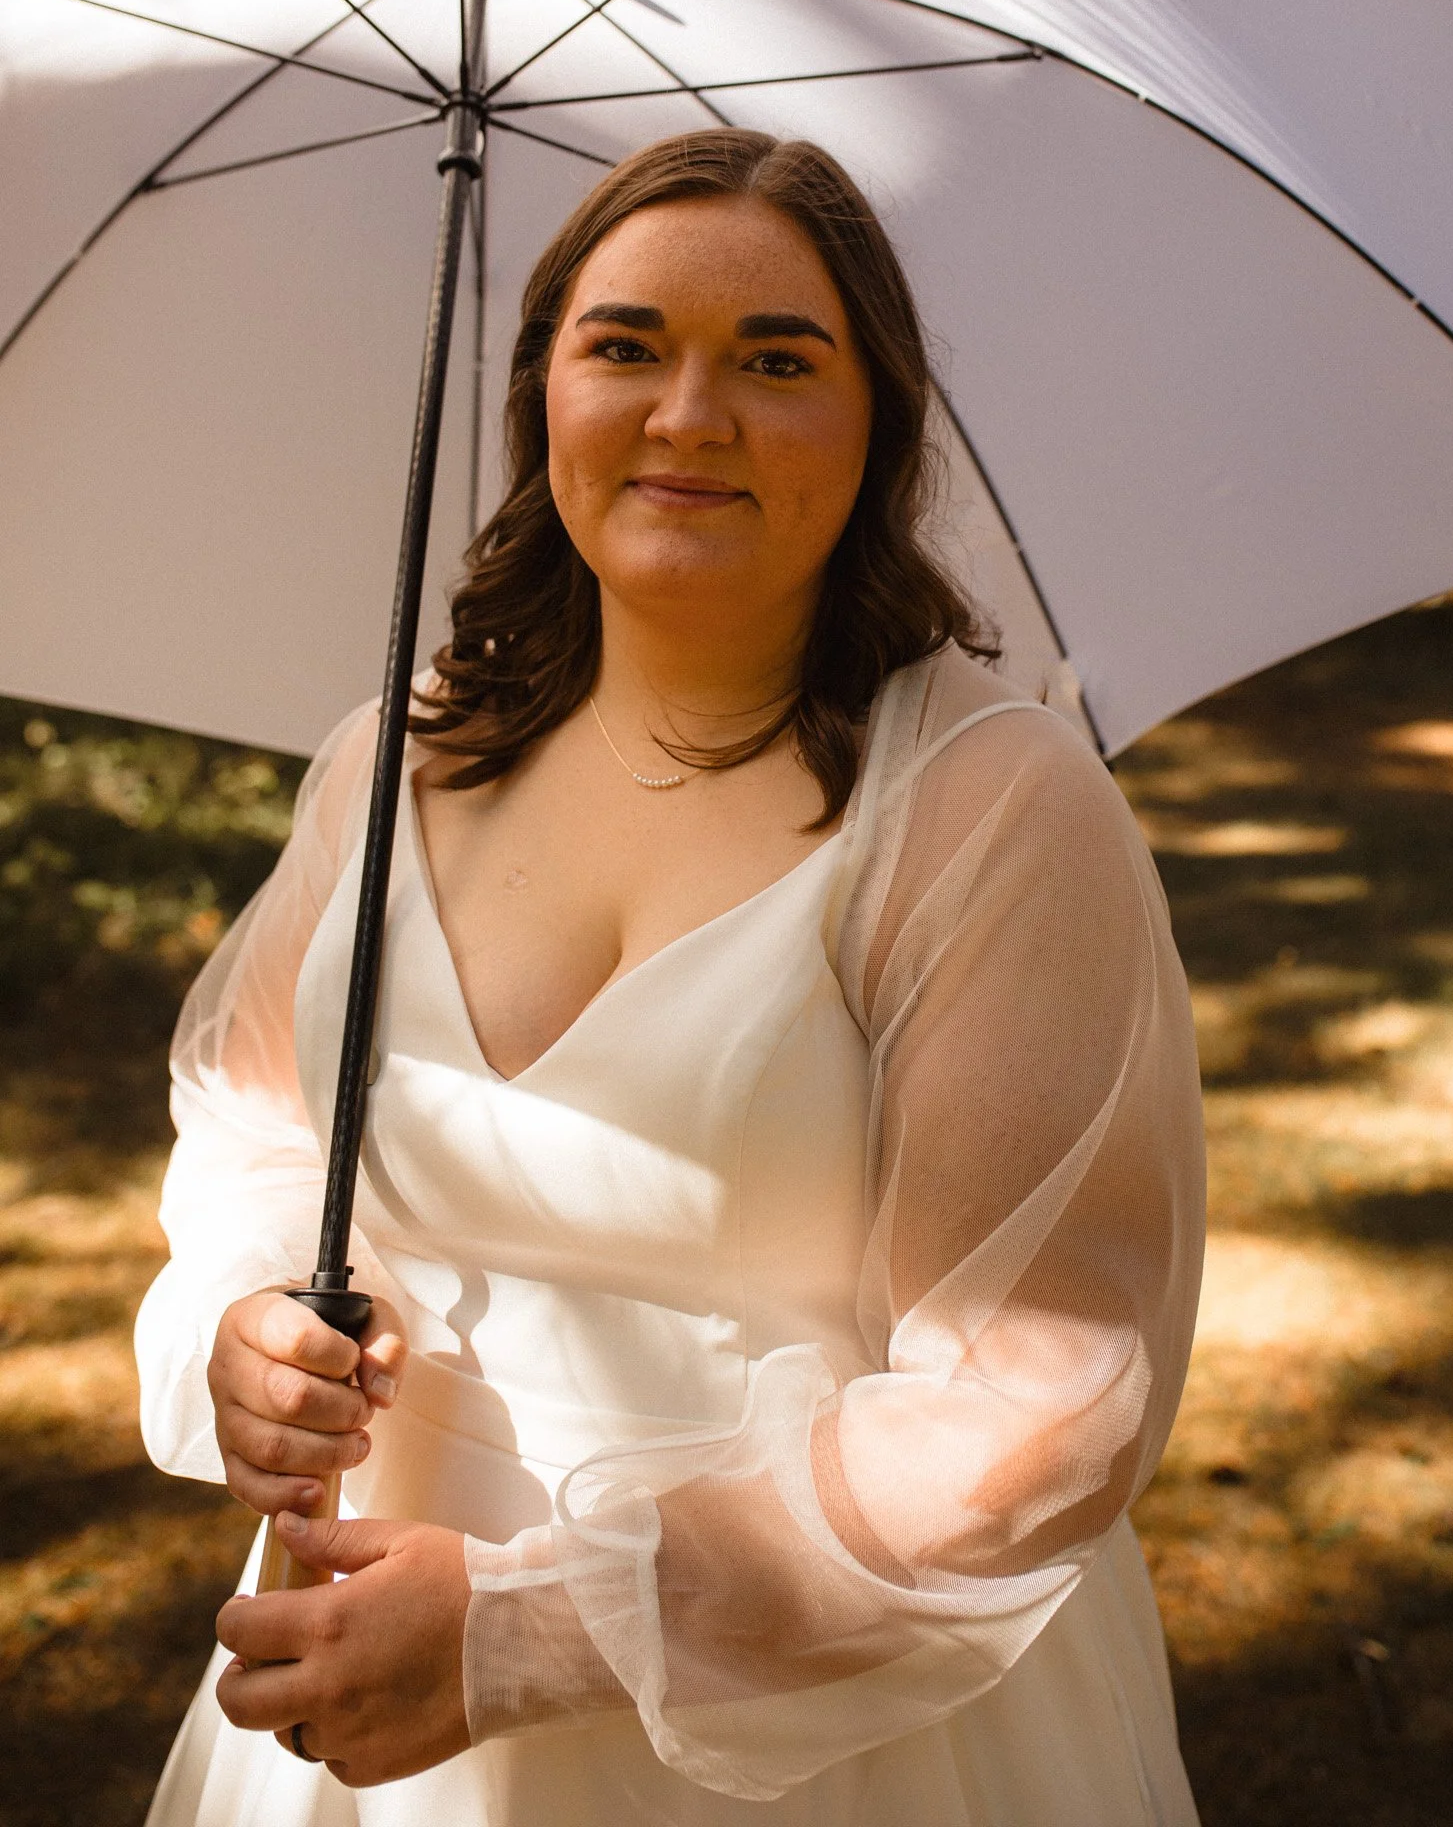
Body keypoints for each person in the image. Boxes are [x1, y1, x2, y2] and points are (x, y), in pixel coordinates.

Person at [135, 129, 1206, 1825]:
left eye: (777, 362)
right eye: (624, 346)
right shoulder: (393, 762)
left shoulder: (993, 816)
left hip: (836, 1736)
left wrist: (517, 1633)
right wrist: (250, 1313)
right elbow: (259, 1125)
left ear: (879, 428)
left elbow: (1034, 1411)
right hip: (357, 1689)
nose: (687, 417)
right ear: (540, 389)